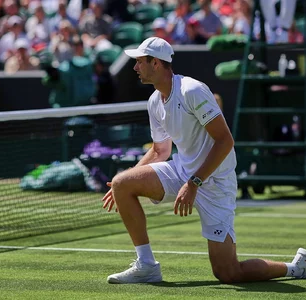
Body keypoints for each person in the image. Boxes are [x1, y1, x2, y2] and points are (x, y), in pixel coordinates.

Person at [102, 37, 306, 284]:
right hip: (181, 171)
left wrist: (194, 183)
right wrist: (123, 183)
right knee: (122, 182)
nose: (135, 67)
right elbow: (159, 151)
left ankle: (295, 268)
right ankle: (147, 266)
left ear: (155, 63)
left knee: (228, 273)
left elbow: (224, 141)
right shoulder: (155, 101)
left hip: (214, 180)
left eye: (139, 62)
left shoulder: (192, 90)